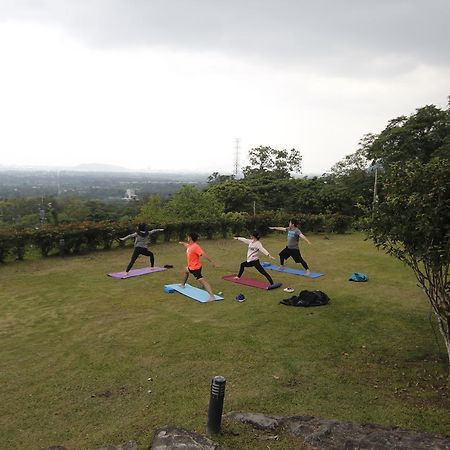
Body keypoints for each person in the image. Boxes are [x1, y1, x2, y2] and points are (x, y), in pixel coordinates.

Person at [179, 232, 217, 302]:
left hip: (195, 268)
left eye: (188, 237)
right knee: (186, 270)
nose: (187, 238)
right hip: (192, 267)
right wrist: (182, 243)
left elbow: (203, 254)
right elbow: (187, 245)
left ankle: (212, 296)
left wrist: (211, 262)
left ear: (190, 238)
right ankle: (182, 284)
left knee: (202, 281)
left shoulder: (195, 247)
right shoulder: (190, 246)